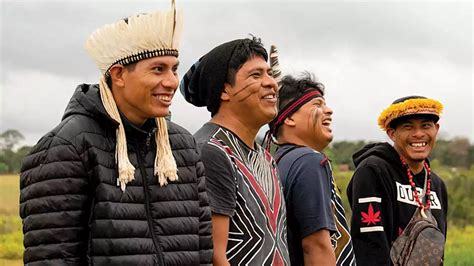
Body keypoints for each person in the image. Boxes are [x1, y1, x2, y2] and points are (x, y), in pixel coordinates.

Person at [19, 2, 213, 265]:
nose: (171, 82)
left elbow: (202, 249)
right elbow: (52, 258)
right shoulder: (66, 148)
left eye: (174, 68)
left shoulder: (183, 146)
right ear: (119, 74)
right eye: (158, 69)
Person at [180, 37, 290, 265]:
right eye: (256, 75)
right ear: (224, 91)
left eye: (269, 73)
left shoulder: (265, 157)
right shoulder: (212, 151)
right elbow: (214, 255)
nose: (271, 83)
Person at [346, 95, 448, 265]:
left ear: (436, 129)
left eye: (426, 126)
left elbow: (438, 252)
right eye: (408, 127)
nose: (418, 134)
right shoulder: (373, 171)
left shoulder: (437, 184)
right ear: (392, 133)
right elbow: (370, 246)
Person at [268, 73, 355, 266]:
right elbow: (316, 246)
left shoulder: (278, 161)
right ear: (289, 118)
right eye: (317, 104)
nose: (329, 111)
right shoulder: (308, 161)